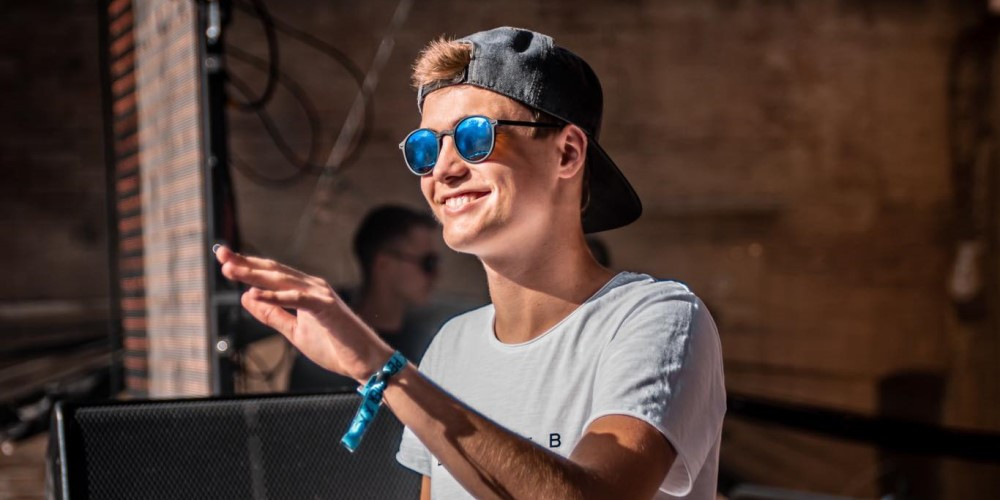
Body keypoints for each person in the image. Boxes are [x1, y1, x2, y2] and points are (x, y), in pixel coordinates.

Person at [214, 26, 725, 499]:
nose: (443, 168)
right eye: (424, 148)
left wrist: (380, 367)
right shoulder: (452, 346)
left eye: (475, 137)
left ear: (567, 153)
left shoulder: (656, 320)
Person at [288, 205, 440, 392]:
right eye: (428, 263)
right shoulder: (327, 345)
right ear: (384, 264)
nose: (436, 275)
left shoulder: (427, 343)